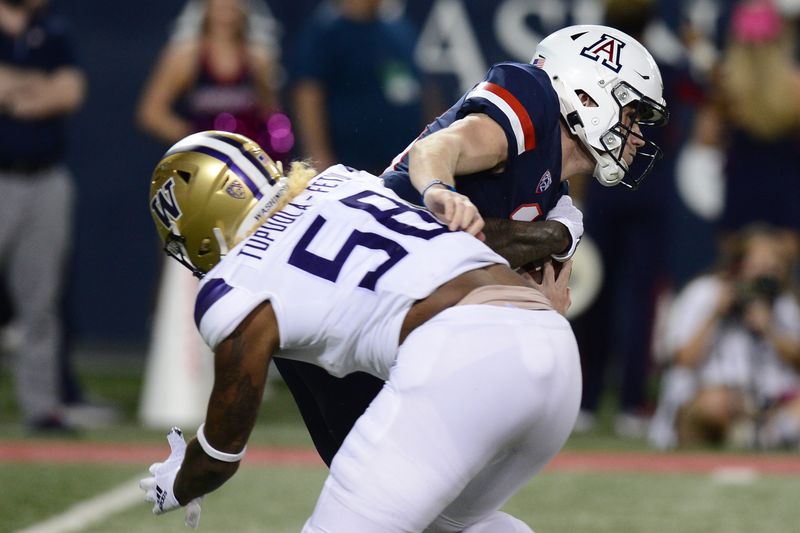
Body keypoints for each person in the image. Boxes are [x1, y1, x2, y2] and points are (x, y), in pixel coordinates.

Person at [140, 130, 579, 532]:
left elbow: (220, 454)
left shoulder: (236, 281)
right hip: (550, 344)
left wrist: (182, 481)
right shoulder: (344, 182)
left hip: (462, 353)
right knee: (447, 524)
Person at [275, 23, 670, 465]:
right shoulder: (531, 99)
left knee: (383, 482)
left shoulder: (558, 208)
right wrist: (439, 190)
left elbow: (492, 264)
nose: (636, 134)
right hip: (340, 286)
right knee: (394, 486)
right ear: (588, 94)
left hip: (374, 308)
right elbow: (437, 151)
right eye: (630, 113)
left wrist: (537, 291)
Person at [0, 0, 86, 431]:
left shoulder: (52, 29)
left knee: (41, 301)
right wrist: (39, 87)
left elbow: (71, 92)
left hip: (45, 178)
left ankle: (42, 406)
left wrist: (15, 90)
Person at [648, 224, 800, 449]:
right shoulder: (704, 292)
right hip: (705, 396)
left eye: (774, 267)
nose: (766, 274)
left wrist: (769, 328)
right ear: (738, 265)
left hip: (766, 400)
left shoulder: (782, 302)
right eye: (759, 266)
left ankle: (764, 436)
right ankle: (750, 436)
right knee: (715, 404)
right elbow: (682, 359)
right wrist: (715, 314)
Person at [136, 0, 290, 162]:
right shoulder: (186, 57)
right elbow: (151, 114)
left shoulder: (258, 59)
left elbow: (271, 114)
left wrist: (267, 153)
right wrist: (201, 144)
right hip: (201, 165)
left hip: (248, 165)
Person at [288, 0, 428, 175]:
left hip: (403, 160)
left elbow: (421, 87)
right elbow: (308, 95)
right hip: (353, 165)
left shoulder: (398, 27)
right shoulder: (326, 33)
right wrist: (319, 155)